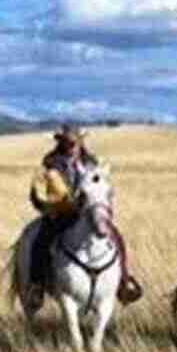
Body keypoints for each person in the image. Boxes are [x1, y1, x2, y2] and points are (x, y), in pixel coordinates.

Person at [29, 123, 143, 303]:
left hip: (89, 212)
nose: (71, 146)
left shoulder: (91, 162)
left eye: (74, 142)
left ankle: (123, 282)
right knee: (42, 240)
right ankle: (37, 285)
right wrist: (49, 207)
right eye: (67, 142)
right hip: (61, 214)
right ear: (61, 142)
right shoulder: (50, 163)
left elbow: (101, 187)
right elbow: (37, 193)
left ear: (81, 142)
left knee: (117, 237)